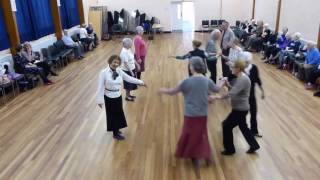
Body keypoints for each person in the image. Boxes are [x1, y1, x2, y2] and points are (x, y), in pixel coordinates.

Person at [158, 57, 225, 178]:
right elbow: (217, 89)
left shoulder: (186, 82)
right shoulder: (206, 80)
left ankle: (195, 156)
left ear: (192, 67)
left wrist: (162, 90)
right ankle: (205, 156)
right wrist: (222, 81)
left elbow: (172, 92)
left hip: (190, 115)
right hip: (203, 114)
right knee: (201, 134)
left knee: (189, 135)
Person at [210, 60, 260, 155]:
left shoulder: (243, 79)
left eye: (232, 67)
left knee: (226, 126)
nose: (231, 69)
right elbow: (236, 90)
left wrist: (217, 97)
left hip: (240, 109)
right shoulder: (240, 77)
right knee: (243, 127)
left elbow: (232, 93)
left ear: (238, 69)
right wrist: (228, 84)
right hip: (240, 108)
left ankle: (230, 150)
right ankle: (254, 145)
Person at [97, 55, 146, 140]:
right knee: (112, 115)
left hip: (118, 96)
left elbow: (129, 78)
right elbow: (100, 87)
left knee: (119, 113)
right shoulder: (103, 72)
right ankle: (115, 133)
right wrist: (100, 100)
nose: (116, 64)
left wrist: (140, 82)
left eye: (118, 63)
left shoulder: (119, 71)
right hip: (109, 97)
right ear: (110, 61)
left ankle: (117, 129)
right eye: (114, 62)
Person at [241, 52, 265, 137]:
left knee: (253, 113)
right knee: (242, 114)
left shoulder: (254, 68)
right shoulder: (240, 69)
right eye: (244, 60)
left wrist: (262, 91)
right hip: (242, 96)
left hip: (251, 95)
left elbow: (257, 80)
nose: (246, 62)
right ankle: (242, 129)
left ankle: (254, 131)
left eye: (247, 61)